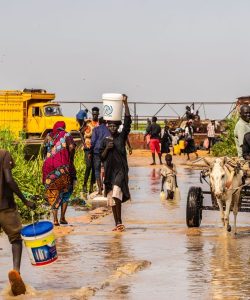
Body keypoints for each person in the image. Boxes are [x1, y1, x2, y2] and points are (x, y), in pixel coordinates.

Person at [0, 150, 36, 296]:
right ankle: (16, 272)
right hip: (5, 207)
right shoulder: (3, 154)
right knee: (15, 239)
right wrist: (25, 200)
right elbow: (8, 180)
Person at [100, 94, 131, 232]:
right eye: (110, 126)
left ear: (118, 127)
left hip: (120, 171)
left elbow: (128, 122)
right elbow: (101, 157)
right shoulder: (105, 140)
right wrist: (107, 148)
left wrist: (125, 104)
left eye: (115, 126)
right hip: (109, 173)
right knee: (111, 198)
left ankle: (119, 221)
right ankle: (117, 223)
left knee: (116, 193)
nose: (112, 128)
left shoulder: (121, 137)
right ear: (108, 127)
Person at [42, 121, 76, 226]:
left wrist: (46, 159)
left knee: (53, 192)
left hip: (48, 169)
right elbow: (72, 147)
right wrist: (70, 158)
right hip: (62, 167)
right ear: (63, 127)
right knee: (66, 190)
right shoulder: (66, 134)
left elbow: (43, 150)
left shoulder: (48, 136)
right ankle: (62, 218)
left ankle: (55, 220)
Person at [80, 107, 99, 193]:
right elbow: (80, 132)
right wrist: (84, 144)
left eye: (96, 114)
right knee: (88, 166)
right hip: (87, 147)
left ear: (98, 114)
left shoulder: (99, 124)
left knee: (94, 167)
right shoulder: (88, 124)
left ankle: (91, 186)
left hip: (95, 148)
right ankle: (84, 184)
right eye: (93, 114)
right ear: (92, 114)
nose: (94, 115)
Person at [91, 117, 110, 195]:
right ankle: (106, 190)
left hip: (97, 151)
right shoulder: (108, 130)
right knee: (106, 170)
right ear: (106, 122)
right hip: (106, 151)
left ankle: (99, 190)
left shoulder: (96, 129)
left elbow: (93, 141)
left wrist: (90, 151)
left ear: (99, 122)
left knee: (97, 171)